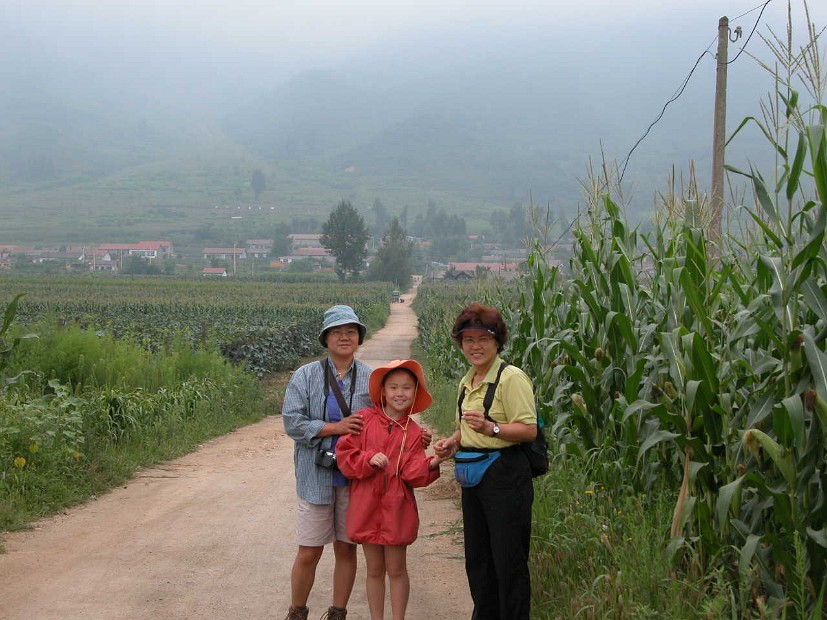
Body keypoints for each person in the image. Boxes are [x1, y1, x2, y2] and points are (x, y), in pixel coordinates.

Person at [433, 303, 538, 620]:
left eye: (483, 338)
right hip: (474, 478)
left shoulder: (510, 378)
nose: (475, 346)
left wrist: (491, 427)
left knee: (508, 561)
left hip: (506, 476)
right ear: (460, 343)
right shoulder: (469, 380)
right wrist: (453, 441)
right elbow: (466, 427)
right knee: (478, 560)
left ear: (497, 342)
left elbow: (529, 429)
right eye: (468, 340)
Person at [282, 304, 372, 620]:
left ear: (359, 338)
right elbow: (292, 422)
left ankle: (338, 613)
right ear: (326, 338)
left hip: (355, 478)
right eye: (337, 332)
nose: (345, 337)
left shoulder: (372, 378)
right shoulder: (305, 375)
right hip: (315, 476)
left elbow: (387, 423)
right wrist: (335, 428)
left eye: (351, 331)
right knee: (309, 551)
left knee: (347, 549)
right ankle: (297, 612)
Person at [335, 359, 444, 620]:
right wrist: (368, 459)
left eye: (407, 388)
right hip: (366, 507)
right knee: (373, 570)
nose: (399, 393)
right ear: (382, 391)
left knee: (396, 569)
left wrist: (436, 460)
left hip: (398, 509)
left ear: (415, 393)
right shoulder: (362, 420)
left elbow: (413, 473)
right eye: (393, 387)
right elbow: (345, 456)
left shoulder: (414, 432)